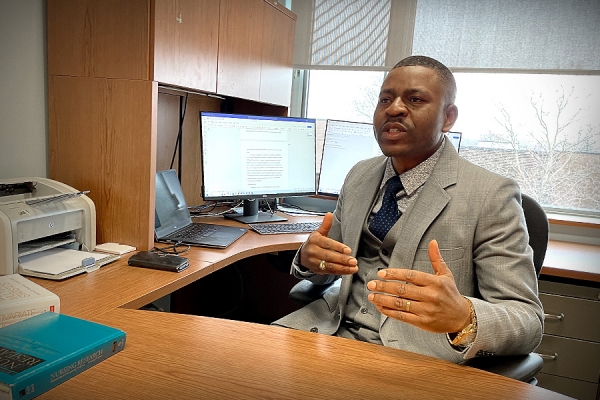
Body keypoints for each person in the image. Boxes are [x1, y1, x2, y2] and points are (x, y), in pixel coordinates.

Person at [273, 55, 543, 362]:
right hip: (326, 332)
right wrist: (311, 260)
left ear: (448, 116)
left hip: (413, 355)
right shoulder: (360, 174)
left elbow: (527, 321)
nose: (394, 108)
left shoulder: (491, 194)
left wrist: (464, 317)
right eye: (385, 99)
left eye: (415, 99)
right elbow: (327, 266)